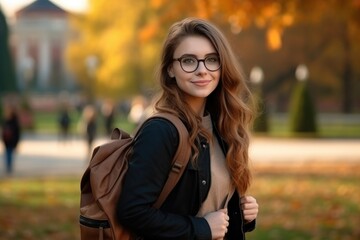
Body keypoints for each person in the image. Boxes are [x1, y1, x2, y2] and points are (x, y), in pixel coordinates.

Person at [117, 18, 258, 240]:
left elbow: (212, 209)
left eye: (212, 60)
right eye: (189, 61)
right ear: (170, 69)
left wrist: (242, 213)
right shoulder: (160, 131)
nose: (202, 70)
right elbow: (132, 211)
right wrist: (201, 228)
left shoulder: (223, 127)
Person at [1, 103, 21, 174]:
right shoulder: (5, 120)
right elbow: (3, 130)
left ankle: (9, 167)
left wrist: (16, 142)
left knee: (9, 154)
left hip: (11, 141)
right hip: (6, 141)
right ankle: (8, 167)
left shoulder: (14, 121)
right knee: (7, 154)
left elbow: (17, 132)